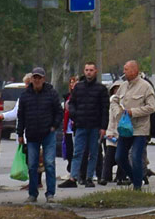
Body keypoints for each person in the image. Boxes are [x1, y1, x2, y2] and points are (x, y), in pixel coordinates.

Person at [108, 59, 155, 191]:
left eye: (126, 69)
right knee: (119, 157)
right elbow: (114, 100)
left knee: (135, 156)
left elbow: (152, 107)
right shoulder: (123, 86)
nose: (124, 72)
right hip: (125, 128)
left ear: (135, 70)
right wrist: (118, 113)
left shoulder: (145, 86)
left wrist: (133, 112)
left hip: (140, 129)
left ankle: (137, 187)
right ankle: (136, 178)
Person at [17, 67, 63, 203]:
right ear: (31, 79)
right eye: (35, 77)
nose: (37, 80)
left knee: (49, 163)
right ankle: (32, 193)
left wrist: (54, 126)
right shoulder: (25, 95)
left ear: (44, 79)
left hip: (48, 134)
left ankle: (50, 194)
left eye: (39, 78)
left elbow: (59, 112)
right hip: (31, 135)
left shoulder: (51, 93)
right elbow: (21, 116)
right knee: (32, 165)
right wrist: (20, 133)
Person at [66, 61, 109, 188]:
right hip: (81, 125)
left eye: (91, 70)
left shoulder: (101, 89)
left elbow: (104, 109)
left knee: (93, 153)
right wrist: (75, 115)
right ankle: (73, 177)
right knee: (77, 152)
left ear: (96, 71)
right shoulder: (78, 87)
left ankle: (90, 177)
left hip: (95, 126)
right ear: (84, 71)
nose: (88, 72)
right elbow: (72, 103)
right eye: (86, 70)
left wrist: (103, 127)